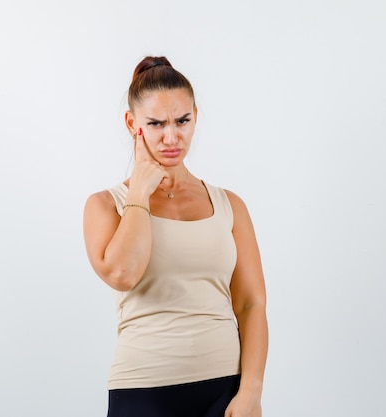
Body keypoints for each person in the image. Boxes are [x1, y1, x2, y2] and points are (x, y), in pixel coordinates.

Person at [83, 56, 268, 417]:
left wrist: (251, 393)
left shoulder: (229, 205)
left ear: (195, 116)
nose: (172, 137)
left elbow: (251, 305)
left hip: (225, 390)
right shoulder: (107, 205)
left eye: (182, 121)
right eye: (156, 124)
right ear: (132, 124)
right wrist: (139, 193)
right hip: (142, 391)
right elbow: (123, 274)